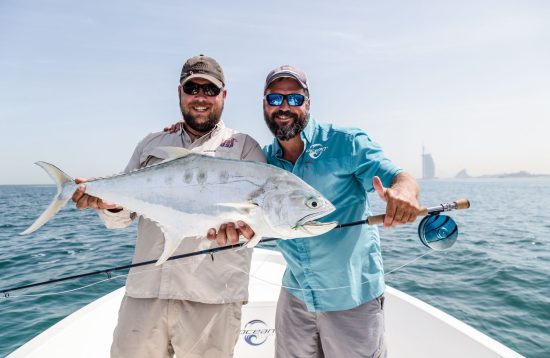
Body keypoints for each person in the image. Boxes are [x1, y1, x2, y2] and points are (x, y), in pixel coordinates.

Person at [198, 65, 421, 357]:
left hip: (351, 299)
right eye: (275, 99)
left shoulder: (347, 143)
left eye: (294, 98)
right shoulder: (262, 162)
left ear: (308, 101)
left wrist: (402, 195)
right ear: (265, 105)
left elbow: (400, 177)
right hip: (295, 297)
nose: (285, 107)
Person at [71, 54, 265, 358]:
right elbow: (120, 219)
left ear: (223, 96)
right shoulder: (151, 144)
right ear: (180, 93)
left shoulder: (244, 148)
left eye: (210, 90)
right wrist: (108, 204)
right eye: (193, 89)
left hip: (211, 298)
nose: (201, 98)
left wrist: (243, 232)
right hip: (146, 292)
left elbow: (258, 223)